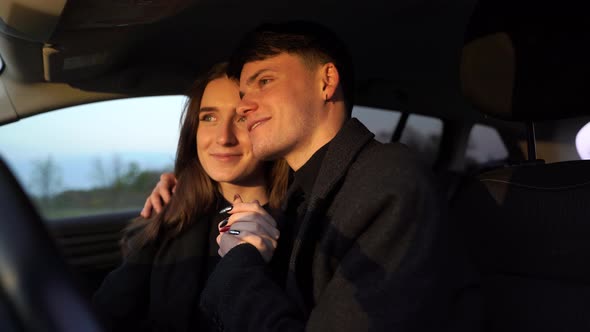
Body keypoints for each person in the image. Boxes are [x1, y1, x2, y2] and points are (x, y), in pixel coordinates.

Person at [143, 21, 466, 331]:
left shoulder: (389, 180)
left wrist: (239, 263)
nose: (244, 107)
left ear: (326, 81)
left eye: (264, 81)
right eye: (243, 92)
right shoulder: (300, 197)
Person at [91, 62, 290, 331]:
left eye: (242, 118)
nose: (223, 137)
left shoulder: (301, 225)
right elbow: (105, 314)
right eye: (209, 117)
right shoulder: (171, 213)